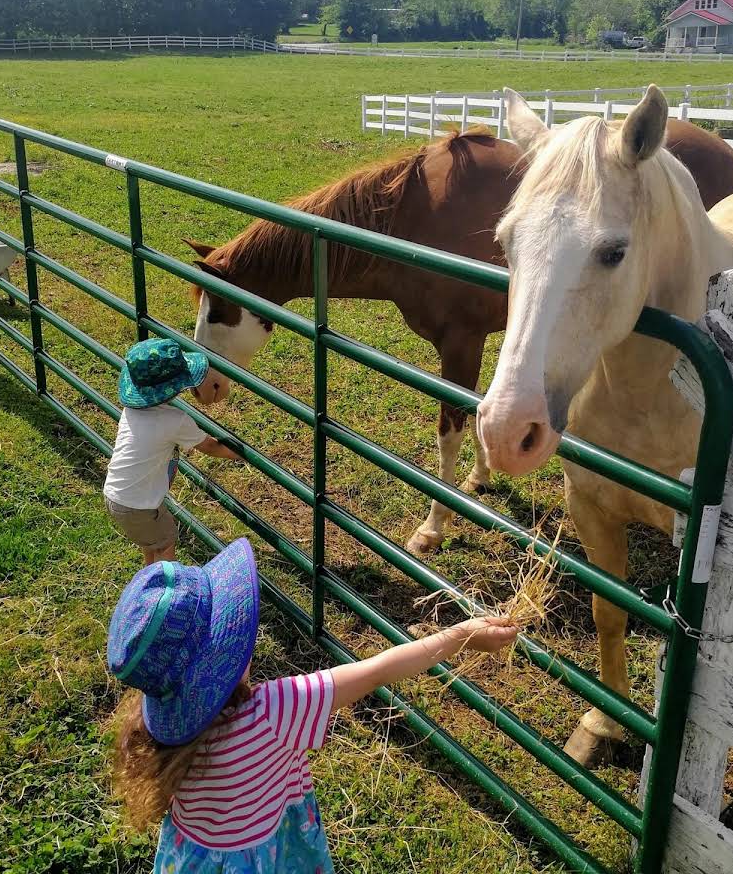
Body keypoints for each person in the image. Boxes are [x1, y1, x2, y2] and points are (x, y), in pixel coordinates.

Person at [108, 538, 519, 873]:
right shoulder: (274, 710)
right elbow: (377, 671)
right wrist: (461, 635)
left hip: (196, 860)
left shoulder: (154, 729)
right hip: (268, 856)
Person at [104, 338, 241, 565]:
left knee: (151, 544)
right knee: (166, 542)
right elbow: (209, 447)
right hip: (139, 505)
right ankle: (166, 592)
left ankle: (148, 584)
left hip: (116, 496)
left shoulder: (131, 411)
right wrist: (239, 453)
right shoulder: (175, 420)